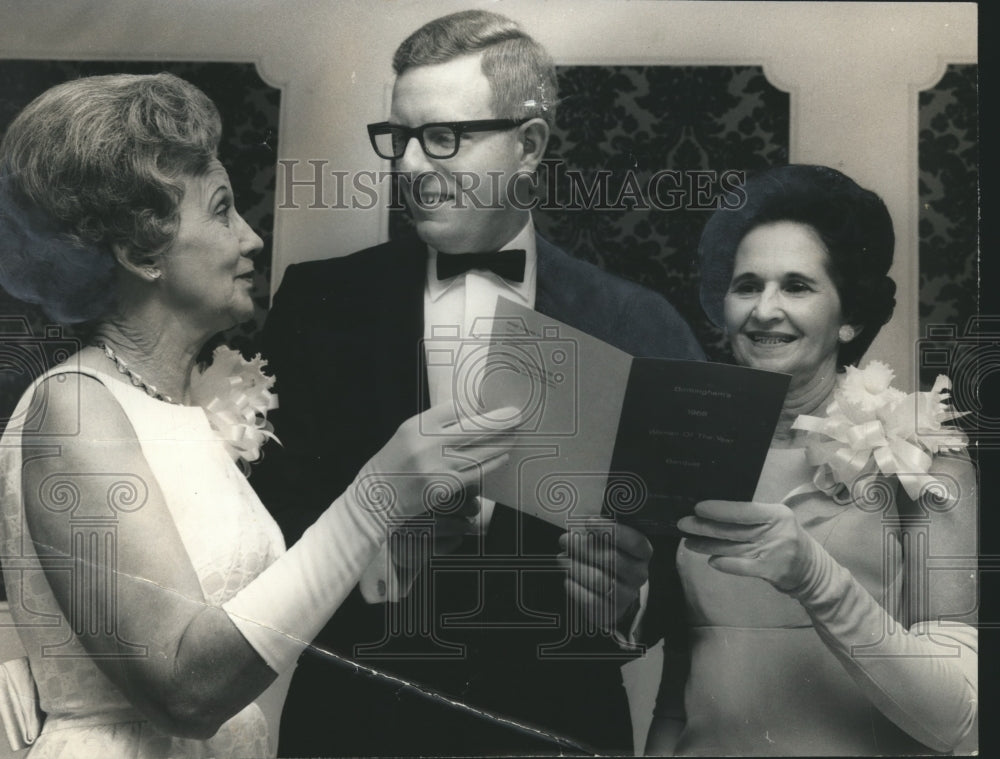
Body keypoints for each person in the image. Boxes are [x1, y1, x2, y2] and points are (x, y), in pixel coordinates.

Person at [0, 72, 516, 758]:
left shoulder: (179, 408)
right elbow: (185, 687)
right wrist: (372, 497)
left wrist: (392, 540)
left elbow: (243, 617)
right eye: (221, 210)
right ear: (139, 251)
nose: (250, 237)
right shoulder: (73, 409)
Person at [250, 8, 706, 756]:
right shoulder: (319, 305)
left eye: (443, 138)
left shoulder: (635, 321)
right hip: (353, 726)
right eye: (399, 139)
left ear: (529, 145)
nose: (408, 166)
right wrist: (378, 554)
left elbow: (686, 557)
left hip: (556, 730)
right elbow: (264, 519)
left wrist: (631, 600)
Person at [644, 163, 978, 756]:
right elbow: (683, 681)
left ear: (849, 316)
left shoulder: (924, 455)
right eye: (747, 285)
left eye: (796, 286)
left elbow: (961, 719)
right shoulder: (693, 448)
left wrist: (816, 578)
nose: (764, 309)